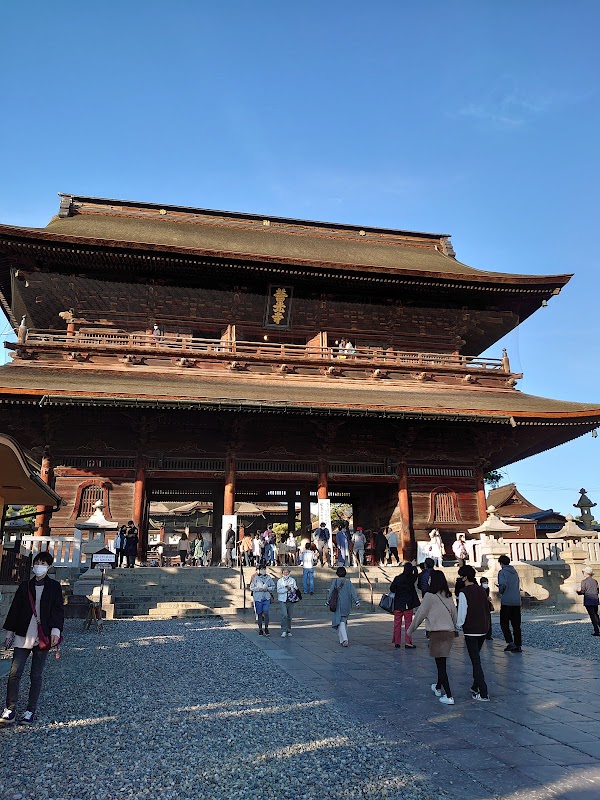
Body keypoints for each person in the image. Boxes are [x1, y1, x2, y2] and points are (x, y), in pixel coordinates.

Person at [1, 552, 64, 724]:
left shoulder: (54, 587)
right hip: (23, 634)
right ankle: (10, 708)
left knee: (36, 674)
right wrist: (9, 633)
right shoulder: (24, 586)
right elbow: (15, 610)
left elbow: (58, 610)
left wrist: (56, 632)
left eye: (43, 563)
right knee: (15, 672)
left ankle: (30, 710)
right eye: (37, 563)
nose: (39, 566)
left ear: (49, 566)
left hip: (42, 636)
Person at [407, 570, 457, 705]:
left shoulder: (429, 596)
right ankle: (438, 686)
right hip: (449, 632)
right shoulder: (447, 596)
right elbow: (454, 613)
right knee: (442, 660)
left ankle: (449, 695)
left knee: (440, 665)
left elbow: (420, 615)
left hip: (436, 632)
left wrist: (410, 630)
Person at [456, 565, 491, 701]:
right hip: (483, 628)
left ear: (465, 577)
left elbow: (462, 612)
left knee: (475, 661)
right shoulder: (481, 590)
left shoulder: (464, 592)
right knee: (476, 657)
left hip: (471, 630)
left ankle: (483, 691)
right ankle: (475, 685)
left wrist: (459, 625)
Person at [326, 567, 360, 647]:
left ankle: (344, 639)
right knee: (344, 621)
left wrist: (328, 601)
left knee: (340, 621)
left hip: (338, 604)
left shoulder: (335, 581)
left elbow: (331, 592)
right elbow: (353, 592)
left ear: (337, 573)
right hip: (347, 604)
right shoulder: (348, 582)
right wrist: (357, 602)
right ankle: (342, 639)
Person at [389, 562, 420, 649]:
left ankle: (397, 641)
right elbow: (416, 574)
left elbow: (392, 588)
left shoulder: (398, 578)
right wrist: (414, 566)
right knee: (408, 624)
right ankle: (408, 642)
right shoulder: (411, 579)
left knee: (397, 623)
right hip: (408, 605)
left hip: (398, 604)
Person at [497, 555, 522, 652]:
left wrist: (500, 590)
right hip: (516, 601)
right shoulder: (515, 572)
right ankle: (518, 644)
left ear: (501, 563)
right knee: (516, 625)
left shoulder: (502, 572)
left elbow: (503, 585)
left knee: (504, 623)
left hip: (507, 601)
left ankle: (510, 642)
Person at [249, 562, 275, 636]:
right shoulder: (255, 578)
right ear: (259, 570)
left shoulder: (269, 578)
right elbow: (251, 587)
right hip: (258, 597)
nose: (263, 570)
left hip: (266, 597)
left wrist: (268, 588)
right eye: (262, 569)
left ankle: (266, 627)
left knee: (266, 612)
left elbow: (273, 586)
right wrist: (258, 589)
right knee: (259, 613)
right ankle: (260, 628)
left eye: (264, 569)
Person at [577, 566, 600, 636]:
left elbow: (583, 591)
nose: (583, 573)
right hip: (595, 599)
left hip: (588, 600)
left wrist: (578, 592)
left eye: (583, 572)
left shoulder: (584, 581)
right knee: (596, 615)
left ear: (586, 573)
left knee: (592, 616)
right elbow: (597, 590)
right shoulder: (595, 581)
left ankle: (597, 631)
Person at [277, 567, 298, 637]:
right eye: (284, 572)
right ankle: (283, 630)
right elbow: (278, 590)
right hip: (282, 600)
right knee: (284, 615)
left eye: (287, 572)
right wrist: (286, 589)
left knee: (289, 616)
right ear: (282, 573)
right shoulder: (280, 581)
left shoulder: (292, 580)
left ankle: (288, 630)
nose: (286, 574)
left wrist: (291, 588)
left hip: (291, 599)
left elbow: (295, 588)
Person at [480, 576, 494, 640]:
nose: (486, 584)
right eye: (484, 582)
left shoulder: (487, 588)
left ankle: (488, 635)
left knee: (488, 621)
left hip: (487, 606)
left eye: (486, 582)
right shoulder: (480, 589)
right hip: (482, 606)